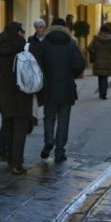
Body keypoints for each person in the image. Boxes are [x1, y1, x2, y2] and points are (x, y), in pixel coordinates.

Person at [38, 17, 86, 163]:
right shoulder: (71, 44)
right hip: (66, 88)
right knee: (63, 120)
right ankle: (60, 151)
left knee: (49, 117)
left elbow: (37, 64)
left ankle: (49, 141)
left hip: (49, 88)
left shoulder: (44, 43)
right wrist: (72, 74)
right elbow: (80, 64)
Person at [0, 22, 32, 175]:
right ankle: (16, 163)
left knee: (8, 127)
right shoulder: (24, 48)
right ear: (18, 32)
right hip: (21, 94)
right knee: (20, 129)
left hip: (4, 94)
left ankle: (9, 159)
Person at [87, 23, 111, 100]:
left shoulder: (96, 39)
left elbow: (89, 48)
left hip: (98, 60)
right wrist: (110, 55)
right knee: (105, 78)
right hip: (107, 61)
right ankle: (103, 93)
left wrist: (94, 53)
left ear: (100, 30)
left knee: (100, 77)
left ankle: (101, 92)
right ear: (108, 31)